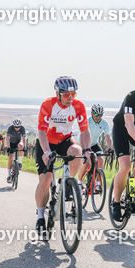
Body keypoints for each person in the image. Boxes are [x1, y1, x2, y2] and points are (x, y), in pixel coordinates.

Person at [34, 76, 93, 235]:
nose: (70, 98)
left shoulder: (78, 106)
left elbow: (84, 130)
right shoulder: (48, 105)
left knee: (77, 151)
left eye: (73, 94)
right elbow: (41, 132)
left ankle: (68, 182)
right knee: (45, 180)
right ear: (58, 93)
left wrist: (87, 149)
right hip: (47, 141)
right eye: (66, 94)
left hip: (65, 139)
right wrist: (46, 151)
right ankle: (40, 216)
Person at [109, 75, 135, 224]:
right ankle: (116, 202)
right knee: (126, 166)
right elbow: (129, 124)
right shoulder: (132, 97)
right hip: (123, 130)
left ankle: (133, 194)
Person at [78, 103, 110, 187]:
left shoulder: (104, 123)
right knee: (87, 162)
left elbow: (108, 138)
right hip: (84, 143)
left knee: (101, 160)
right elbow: (82, 135)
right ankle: (79, 181)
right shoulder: (87, 121)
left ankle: (98, 183)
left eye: (100, 115)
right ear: (91, 113)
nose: (98, 117)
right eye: (96, 114)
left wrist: (110, 149)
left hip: (94, 144)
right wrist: (84, 150)